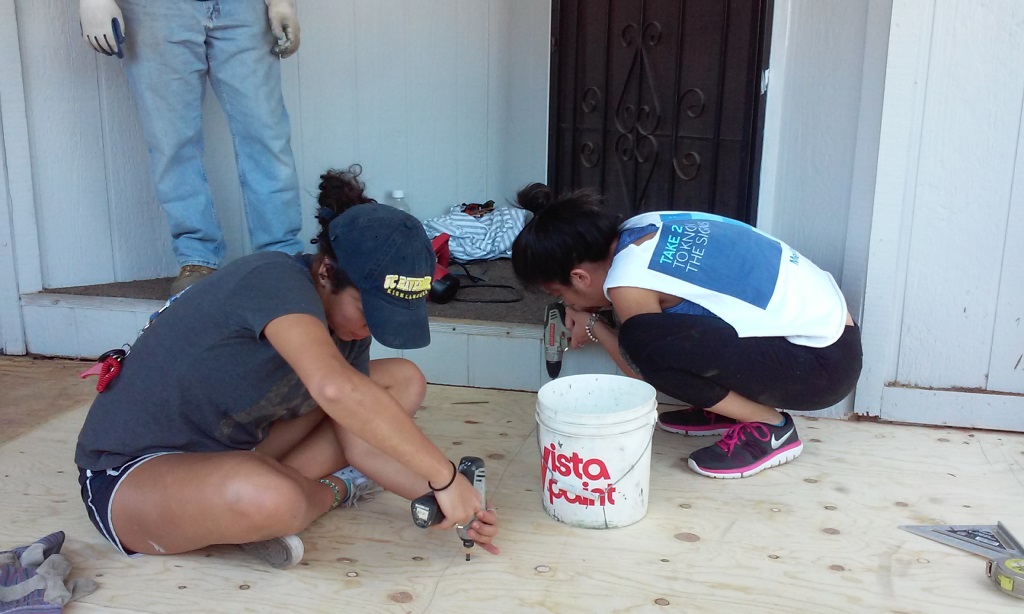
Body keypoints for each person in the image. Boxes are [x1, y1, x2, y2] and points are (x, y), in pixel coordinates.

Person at [74, 166, 499, 568]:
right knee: (277, 501)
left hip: (231, 452)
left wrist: (450, 503)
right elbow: (335, 390)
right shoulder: (273, 280)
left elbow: (362, 442)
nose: (373, 327)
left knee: (400, 382)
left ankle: (253, 505)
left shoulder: (347, 324)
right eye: (369, 310)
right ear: (327, 271)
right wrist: (443, 477)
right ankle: (326, 492)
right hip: (132, 477)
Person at [511, 184, 863, 479]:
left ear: (579, 277)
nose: (568, 303)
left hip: (821, 368)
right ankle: (730, 407)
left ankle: (770, 427)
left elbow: (641, 368)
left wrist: (592, 325)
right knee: (663, 335)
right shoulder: (642, 227)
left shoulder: (626, 284)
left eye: (562, 296)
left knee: (645, 342)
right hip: (828, 343)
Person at [78, 0, 305, 295]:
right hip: (153, 9)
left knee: (266, 134)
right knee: (171, 142)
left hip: (245, 7)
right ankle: (198, 258)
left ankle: (281, 254)